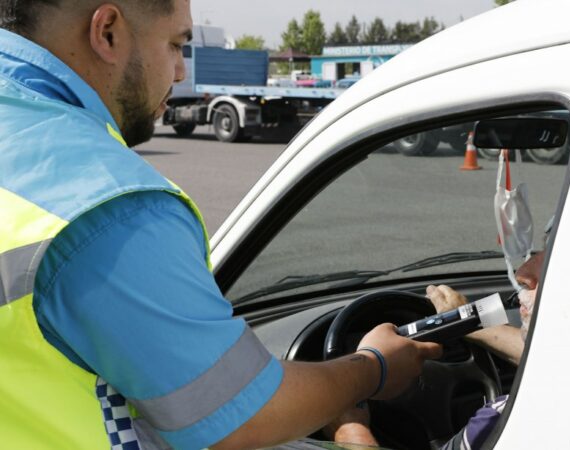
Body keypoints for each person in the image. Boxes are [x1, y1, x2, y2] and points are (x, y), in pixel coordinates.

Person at [0, 1, 442, 449]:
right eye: (175, 45)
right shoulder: (108, 207)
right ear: (108, 32)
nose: (177, 72)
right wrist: (374, 368)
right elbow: (239, 417)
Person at [328, 250, 546, 449]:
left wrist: (349, 429)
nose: (522, 272)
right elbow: (555, 356)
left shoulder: (505, 421)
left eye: (556, 251)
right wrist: (464, 317)